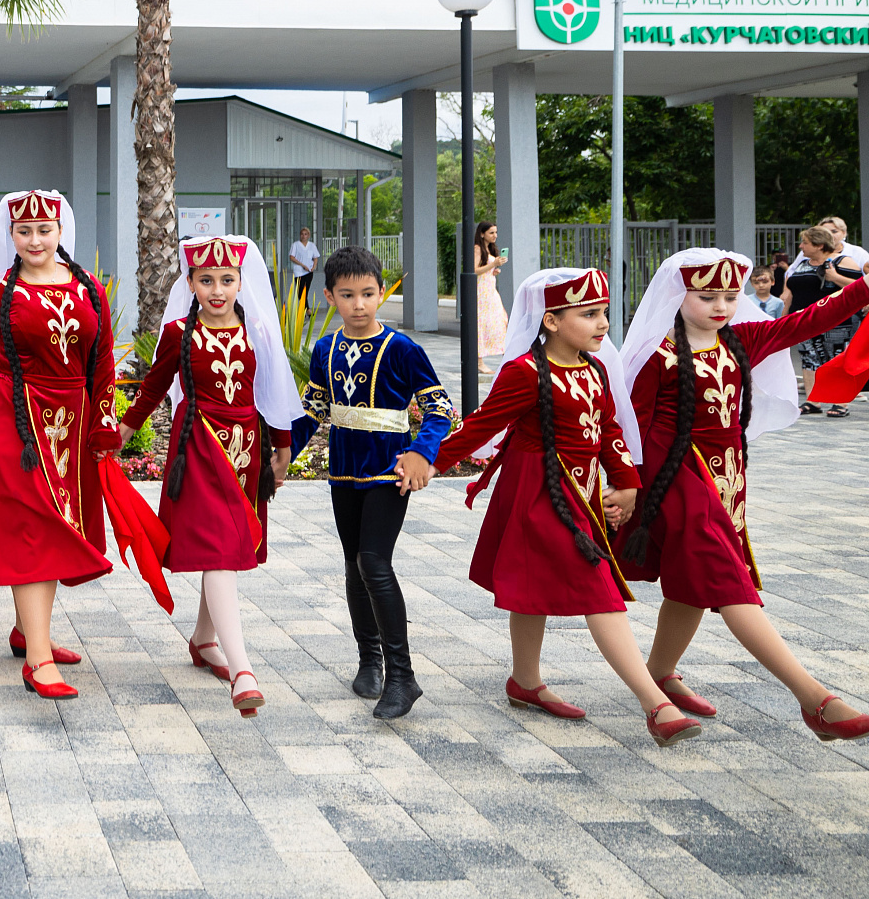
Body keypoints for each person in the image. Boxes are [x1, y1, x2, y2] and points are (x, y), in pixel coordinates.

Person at [422, 268, 703, 745]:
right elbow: (479, 426)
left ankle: (525, 683)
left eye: (605, 314)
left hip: (583, 495)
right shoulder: (524, 373)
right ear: (550, 320)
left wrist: (628, 483)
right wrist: (427, 463)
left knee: (538, 589)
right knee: (600, 591)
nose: (602, 324)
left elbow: (609, 427)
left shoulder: (594, 369)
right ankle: (655, 705)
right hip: (538, 495)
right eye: (589, 314)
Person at [617, 248, 869, 742]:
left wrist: (863, 289)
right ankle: (815, 699)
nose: (721, 306)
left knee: (694, 584)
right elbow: (630, 428)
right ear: (677, 295)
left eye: (731, 296)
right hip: (676, 484)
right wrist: (626, 488)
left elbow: (811, 320)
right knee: (731, 585)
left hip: (728, 479)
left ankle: (660, 674)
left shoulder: (742, 339)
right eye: (707, 295)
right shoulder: (656, 354)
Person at [0, 190, 140, 702]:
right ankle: (39, 661)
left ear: (60, 231)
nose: (35, 239)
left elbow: (102, 361)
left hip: (70, 424)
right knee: (34, 527)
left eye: (44, 230)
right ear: (11, 236)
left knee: (52, 525)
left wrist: (105, 423)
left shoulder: (90, 289)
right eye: (24, 232)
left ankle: (28, 633)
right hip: (13, 424)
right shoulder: (3, 291)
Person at [120, 235, 300, 717]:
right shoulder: (178, 331)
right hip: (197, 447)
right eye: (206, 280)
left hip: (246, 449)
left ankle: (203, 639)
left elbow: (273, 388)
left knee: (225, 547)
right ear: (191, 282)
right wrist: (121, 432)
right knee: (220, 547)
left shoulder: (258, 329)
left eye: (227, 279)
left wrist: (282, 447)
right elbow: (155, 384)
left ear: (242, 281)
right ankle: (243, 670)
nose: (217, 289)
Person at [292, 245, 455, 720]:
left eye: (367, 293)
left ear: (382, 293)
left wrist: (421, 453)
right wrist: (280, 457)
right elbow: (313, 411)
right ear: (329, 296)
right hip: (343, 471)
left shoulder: (404, 349)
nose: (359, 304)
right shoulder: (325, 350)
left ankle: (403, 677)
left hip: (389, 471)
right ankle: (369, 660)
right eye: (347, 295)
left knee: (374, 561)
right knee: (352, 563)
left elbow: (439, 407)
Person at [781, 226, 862, 416]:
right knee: (809, 359)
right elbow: (792, 292)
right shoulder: (802, 263)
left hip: (835, 322)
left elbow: (860, 287)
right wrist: (785, 317)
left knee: (836, 359)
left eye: (805, 243)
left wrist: (835, 277)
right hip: (803, 320)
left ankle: (840, 403)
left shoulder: (842, 262)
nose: (801, 246)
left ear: (819, 245)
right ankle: (813, 400)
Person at [473, 221, 508, 374]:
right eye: (491, 233)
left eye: (496, 232)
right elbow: (474, 270)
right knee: (481, 324)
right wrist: (493, 263)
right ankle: (479, 361)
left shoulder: (490, 249)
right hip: (481, 292)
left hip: (491, 290)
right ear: (482, 234)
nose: (495, 236)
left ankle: (506, 355)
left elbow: (483, 270)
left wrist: (493, 269)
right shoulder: (477, 248)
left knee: (501, 319)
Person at [288, 227, 318, 307]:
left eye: (305, 234)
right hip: (299, 272)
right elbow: (291, 257)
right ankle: (307, 310)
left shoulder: (312, 246)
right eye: (302, 234)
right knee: (301, 291)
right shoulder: (295, 245)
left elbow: (315, 257)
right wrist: (302, 265)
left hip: (309, 271)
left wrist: (314, 267)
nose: (303, 236)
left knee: (306, 291)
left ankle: (304, 310)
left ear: (308, 235)